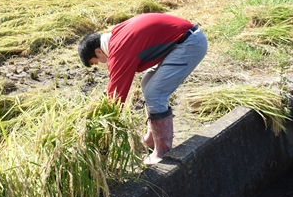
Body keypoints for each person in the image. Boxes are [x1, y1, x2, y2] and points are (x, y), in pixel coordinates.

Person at [78, 13, 207, 165]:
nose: (100, 65)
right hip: (183, 40)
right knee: (147, 84)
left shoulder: (119, 48)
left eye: (96, 62)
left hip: (189, 43)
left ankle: (163, 151)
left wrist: (103, 123)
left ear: (99, 52)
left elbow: (117, 94)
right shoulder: (116, 37)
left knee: (155, 93)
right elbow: (115, 83)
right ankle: (152, 139)